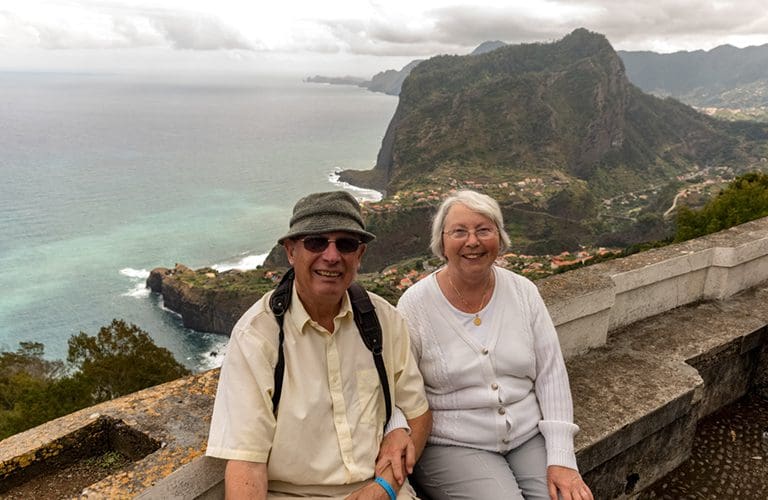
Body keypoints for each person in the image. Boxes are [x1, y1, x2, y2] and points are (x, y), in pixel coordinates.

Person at [206, 191, 432, 499]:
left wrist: (385, 486)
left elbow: (417, 413)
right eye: (315, 242)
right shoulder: (258, 336)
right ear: (290, 251)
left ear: (360, 255)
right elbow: (247, 463)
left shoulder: (384, 321)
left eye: (346, 244)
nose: (331, 256)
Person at [395, 190, 592, 500]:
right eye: (459, 231)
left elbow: (551, 374)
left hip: (528, 436)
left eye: (484, 230)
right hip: (453, 443)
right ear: (442, 243)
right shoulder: (415, 305)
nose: (472, 241)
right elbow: (398, 386)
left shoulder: (523, 292)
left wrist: (562, 457)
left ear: (499, 238)